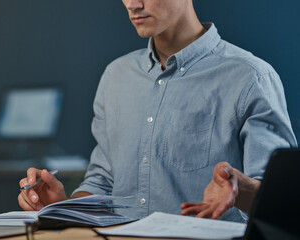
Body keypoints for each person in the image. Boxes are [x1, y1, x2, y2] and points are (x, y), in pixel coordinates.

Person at [18, 0, 297, 222]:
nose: (133, 4)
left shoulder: (250, 77)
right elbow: (103, 183)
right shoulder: (116, 76)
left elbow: (283, 201)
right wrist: (62, 207)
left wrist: (239, 188)